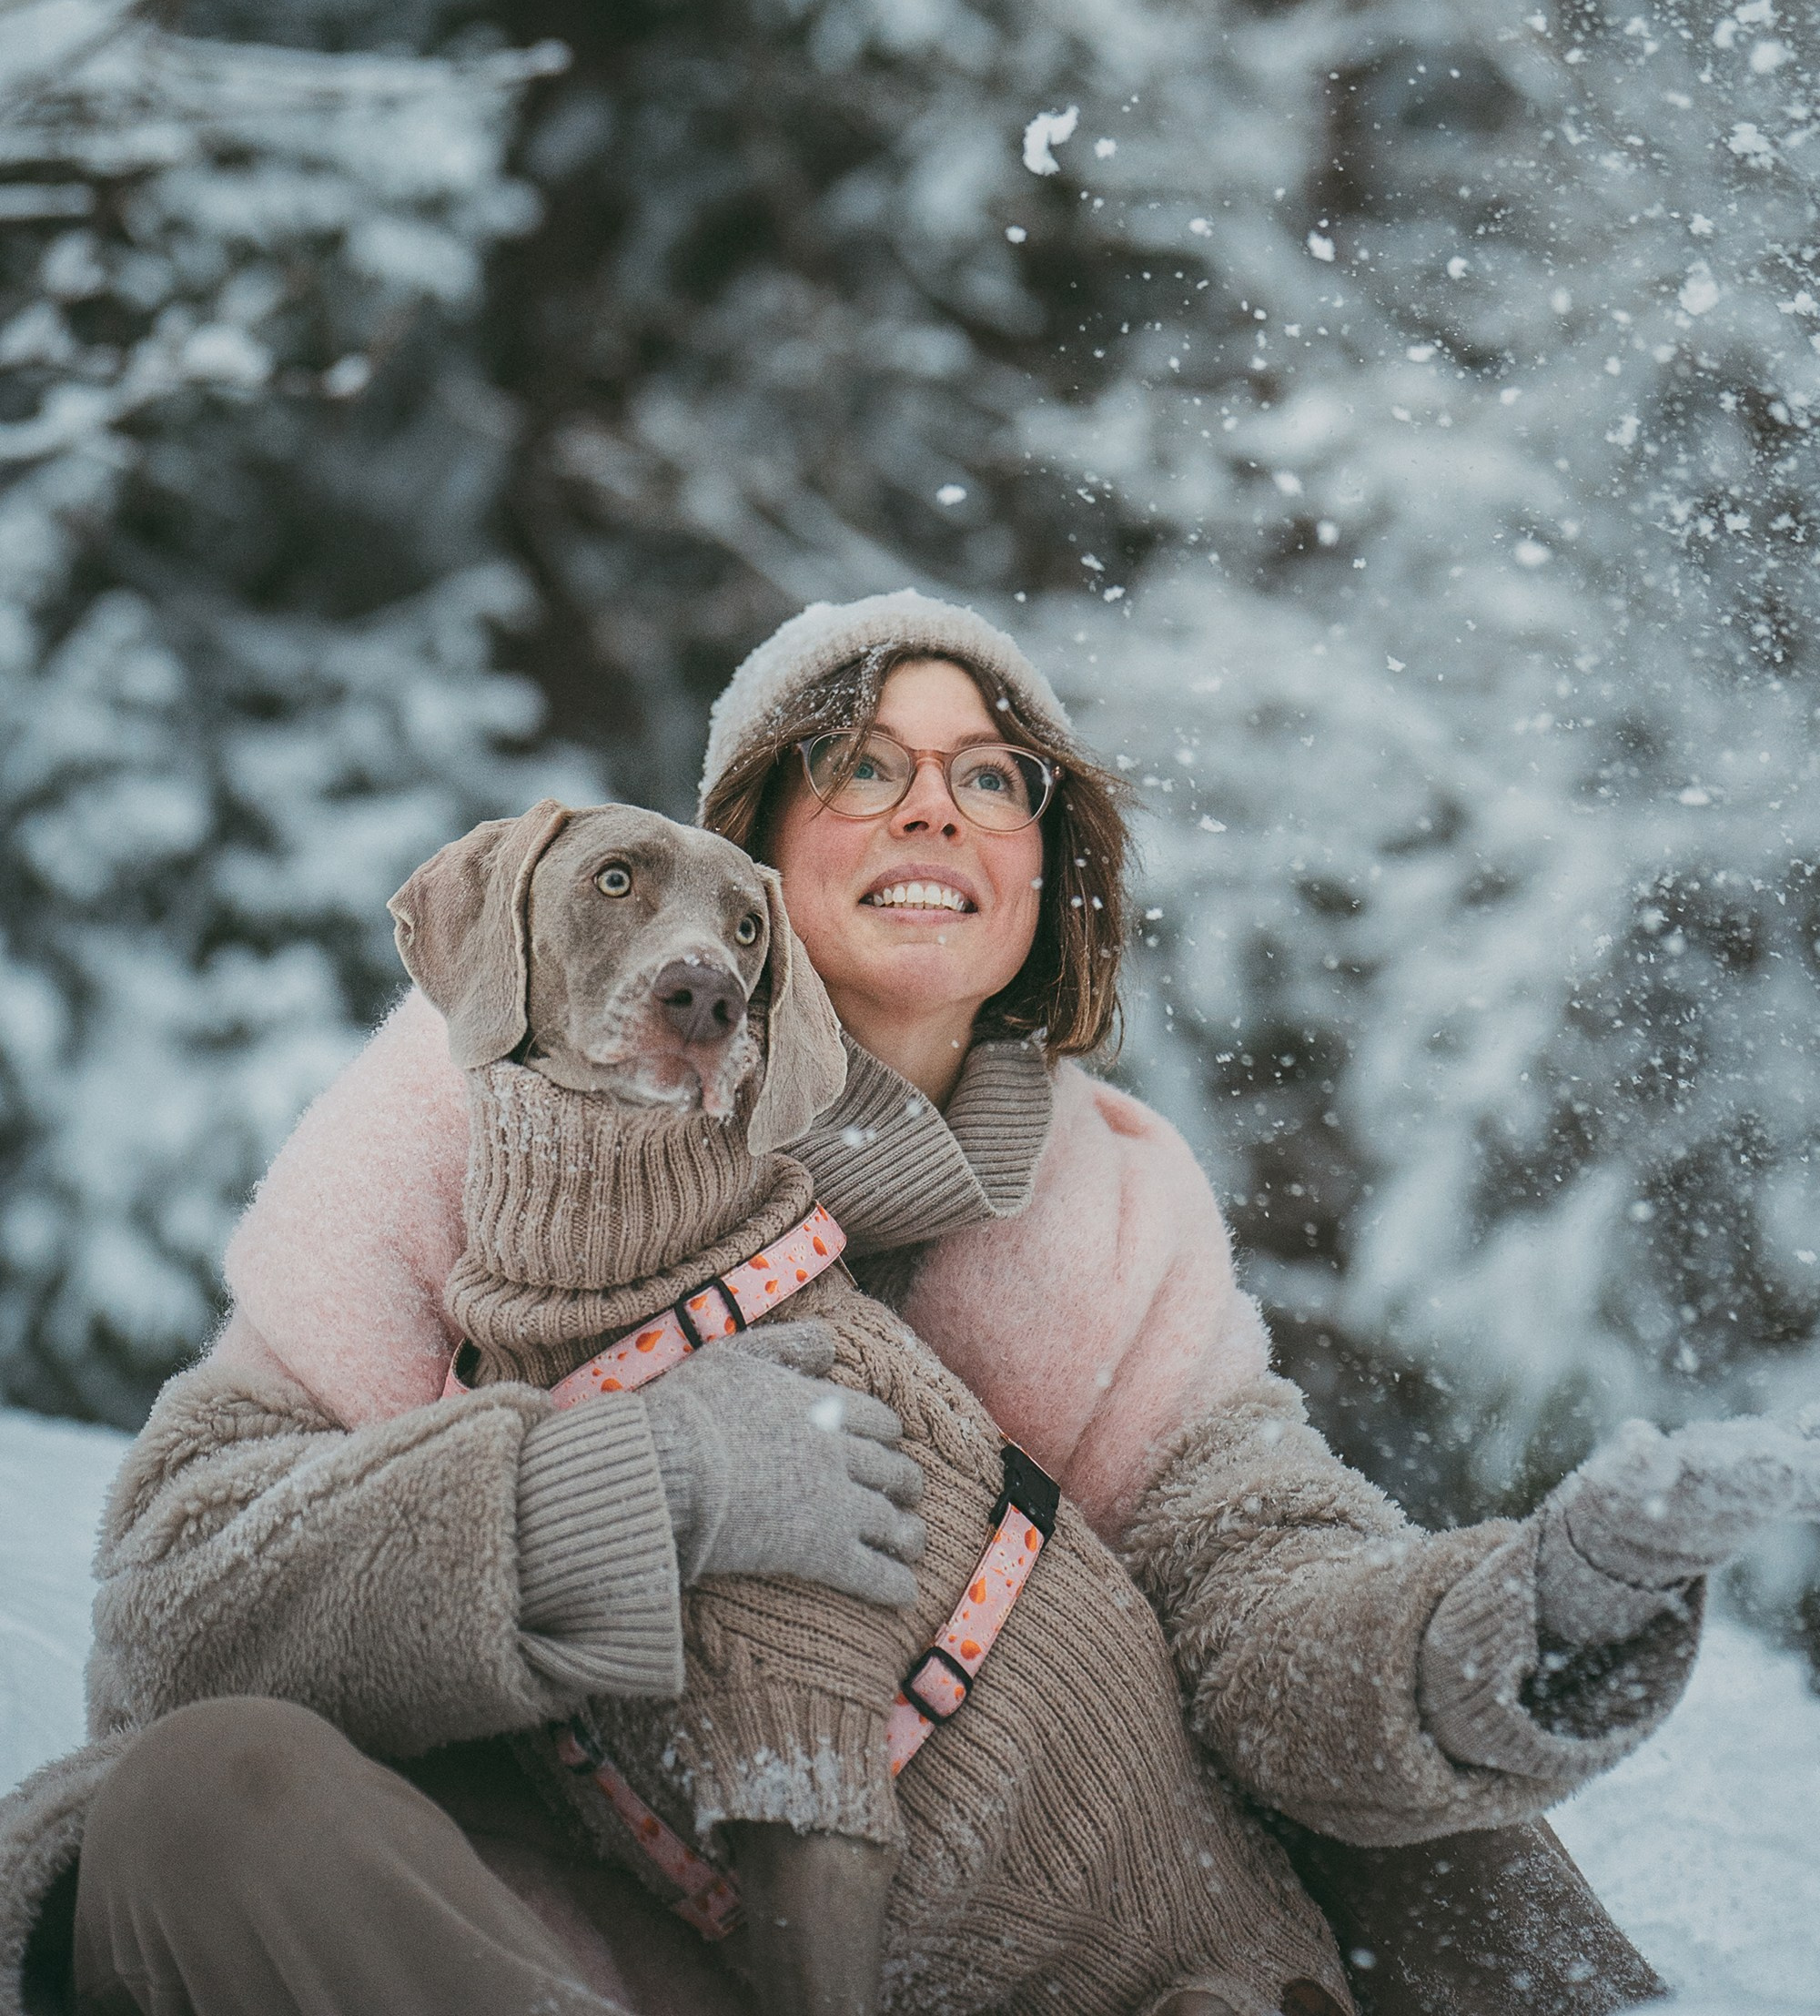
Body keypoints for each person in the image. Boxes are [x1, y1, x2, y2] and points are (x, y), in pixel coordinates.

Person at [6, 590, 1815, 2016]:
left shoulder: (1112, 1209)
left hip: (1026, 1950)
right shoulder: (479, 1097)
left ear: (1048, 873)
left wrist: (1526, 1614)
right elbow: (177, 1606)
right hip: (539, 1920)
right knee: (200, 1802)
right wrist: (599, 1491)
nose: (936, 805)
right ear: (749, 845)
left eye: (995, 777)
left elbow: (1261, 1599)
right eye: (860, 765)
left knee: (1400, 1821)